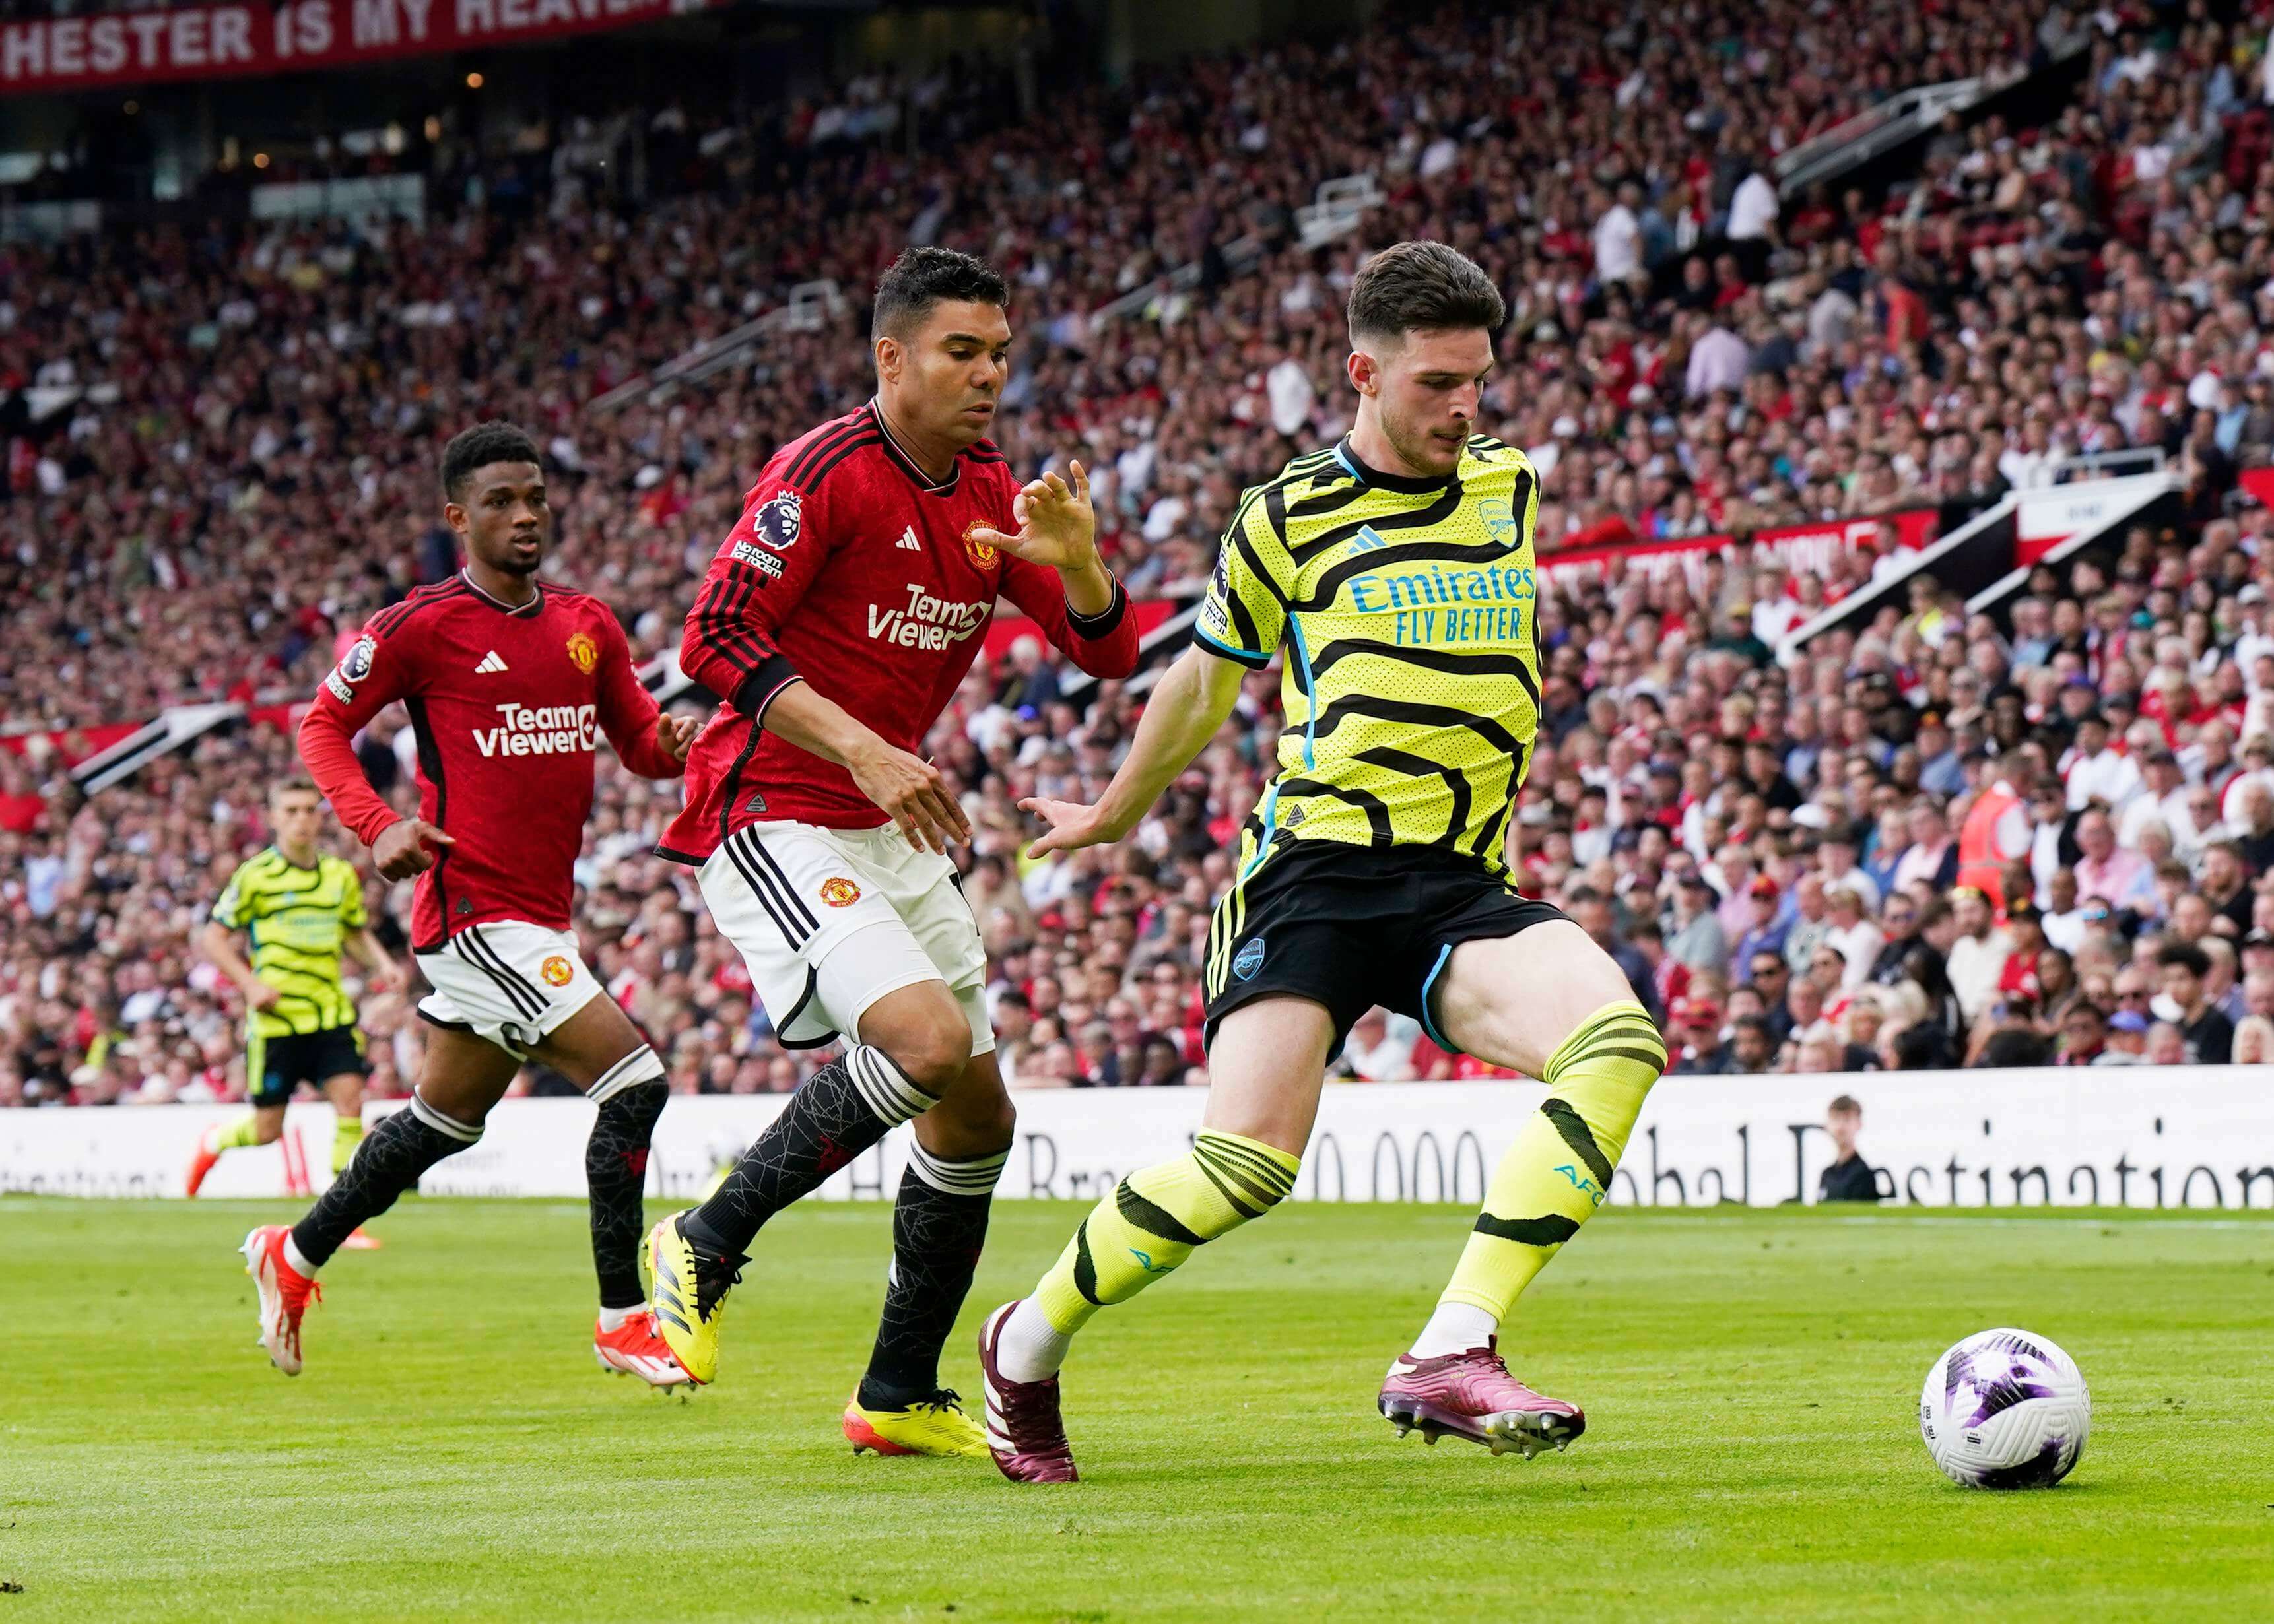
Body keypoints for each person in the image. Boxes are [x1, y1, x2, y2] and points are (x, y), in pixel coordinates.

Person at [978, 242, 1667, 1481]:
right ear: (1363, 371)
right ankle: (1022, 1347)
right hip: (1311, 873)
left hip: (1458, 878)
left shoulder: (1508, 486)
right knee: (1245, 1165)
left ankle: (1454, 1346)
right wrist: (1119, 813)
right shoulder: (1287, 514)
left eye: (1478, 382)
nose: (1465, 408)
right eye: (1436, 384)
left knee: (1618, 1043)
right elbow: (1201, 681)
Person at [641, 248, 1139, 1456]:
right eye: (964, 352)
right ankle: (700, 1242)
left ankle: (899, 1393)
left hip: (886, 817)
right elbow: (713, 636)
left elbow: (1107, 656)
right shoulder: (825, 473)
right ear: (892, 356)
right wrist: (864, 750)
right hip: (772, 802)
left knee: (976, 1117)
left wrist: (1076, 563)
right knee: (926, 1043)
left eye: (1002, 353)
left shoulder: (991, 488)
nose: (989, 375)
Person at [239, 421, 701, 1390]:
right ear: (458, 517)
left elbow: (638, 743)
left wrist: (683, 740)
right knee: (636, 1082)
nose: (524, 515)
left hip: (541, 912)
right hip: (472, 912)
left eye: (534, 497)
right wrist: (375, 826)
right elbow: (319, 724)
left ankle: (296, 1252)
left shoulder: (588, 623)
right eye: (500, 501)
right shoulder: (419, 626)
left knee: (443, 1124)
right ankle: (622, 1317)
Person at [185, 779, 401, 1202]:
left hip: (330, 1013)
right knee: (267, 1130)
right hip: (276, 1020)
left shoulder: (339, 876)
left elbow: (353, 933)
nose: (302, 819)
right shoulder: (256, 876)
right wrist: (249, 985)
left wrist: (384, 964)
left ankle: (345, 1209)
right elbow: (211, 938)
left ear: (321, 816)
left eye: (309, 809)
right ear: (273, 818)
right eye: (291, 811)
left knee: (350, 1102)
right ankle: (214, 1142)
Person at [1816, 1095, 1883, 1201]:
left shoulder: (1863, 1175)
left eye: (1847, 1119)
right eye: (1836, 1118)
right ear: (1827, 1125)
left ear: (1859, 1124)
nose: (1841, 1126)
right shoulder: (1827, 1175)